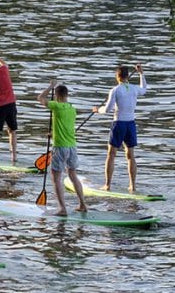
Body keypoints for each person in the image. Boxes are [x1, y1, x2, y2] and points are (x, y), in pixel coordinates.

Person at [36, 80, 87, 216]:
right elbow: (65, 126)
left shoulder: (56, 106)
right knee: (73, 175)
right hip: (72, 147)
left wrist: (50, 87)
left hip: (60, 148)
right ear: (67, 95)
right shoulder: (72, 109)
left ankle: (62, 209)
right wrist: (53, 134)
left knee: (56, 177)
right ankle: (82, 204)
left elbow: (40, 98)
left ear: (57, 96)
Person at [93, 63, 147, 192]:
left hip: (119, 124)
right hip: (131, 124)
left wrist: (97, 110)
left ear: (117, 76)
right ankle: (133, 186)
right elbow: (144, 89)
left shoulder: (115, 90)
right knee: (130, 156)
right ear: (127, 76)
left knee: (111, 154)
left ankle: (107, 185)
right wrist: (141, 73)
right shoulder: (134, 88)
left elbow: (107, 109)